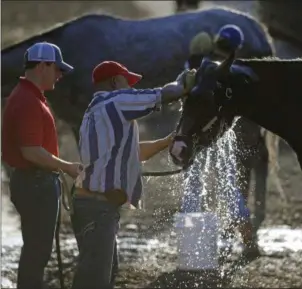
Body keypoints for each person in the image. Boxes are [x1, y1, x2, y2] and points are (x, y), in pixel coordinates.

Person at [71, 60, 196, 289]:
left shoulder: (94, 111)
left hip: (90, 206)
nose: (130, 88)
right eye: (126, 82)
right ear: (114, 81)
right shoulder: (116, 101)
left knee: (102, 274)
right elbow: (166, 94)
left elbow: (131, 152)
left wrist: (167, 141)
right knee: (95, 281)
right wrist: (184, 82)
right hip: (98, 210)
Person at [1, 42, 83, 289]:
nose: (60, 75)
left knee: (37, 249)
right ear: (43, 66)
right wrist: (67, 166)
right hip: (34, 183)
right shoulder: (28, 101)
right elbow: (31, 152)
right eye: (57, 69)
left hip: (33, 182)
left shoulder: (29, 96)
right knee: (37, 251)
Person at [184, 26, 261, 260]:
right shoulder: (236, 68)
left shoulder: (200, 64)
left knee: (194, 189)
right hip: (220, 137)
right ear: (237, 47)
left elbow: (186, 86)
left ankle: (195, 252)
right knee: (229, 189)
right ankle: (249, 244)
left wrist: (192, 59)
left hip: (198, 136)